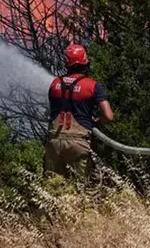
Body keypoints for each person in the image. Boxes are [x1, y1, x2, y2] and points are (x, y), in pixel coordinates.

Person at [45, 43, 114, 178]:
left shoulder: (55, 84)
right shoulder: (92, 85)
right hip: (79, 142)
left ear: (66, 63)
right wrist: (97, 121)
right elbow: (109, 116)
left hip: (55, 141)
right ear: (84, 63)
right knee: (80, 189)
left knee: (51, 188)